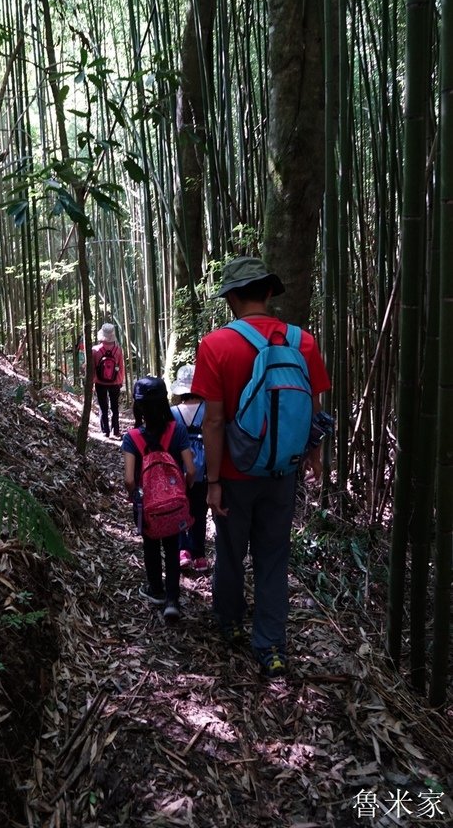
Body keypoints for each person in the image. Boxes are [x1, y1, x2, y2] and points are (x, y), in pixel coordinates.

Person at [191, 257, 331, 678]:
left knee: (231, 552)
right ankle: (271, 646)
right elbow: (313, 407)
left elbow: (213, 421)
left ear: (232, 297)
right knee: (273, 557)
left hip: (235, 473)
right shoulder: (302, 342)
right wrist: (311, 456)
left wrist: (212, 481)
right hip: (281, 473)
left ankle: (231, 621)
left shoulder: (215, 345)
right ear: (269, 293)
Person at [122, 376, 195, 623]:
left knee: (150, 544)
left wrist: (134, 496)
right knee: (173, 547)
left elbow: (130, 479)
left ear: (138, 406)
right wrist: (181, 492)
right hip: (174, 504)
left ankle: (156, 589)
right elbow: (192, 470)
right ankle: (173, 599)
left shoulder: (132, 437)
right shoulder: (178, 430)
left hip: (147, 506)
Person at [170, 364, 209, 573]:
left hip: (178, 468)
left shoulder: (172, 412)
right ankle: (199, 554)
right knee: (200, 511)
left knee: (179, 509)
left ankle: (182, 549)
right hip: (203, 470)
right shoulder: (208, 410)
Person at [92, 323, 125, 438]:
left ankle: (105, 431)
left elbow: (92, 368)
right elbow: (121, 368)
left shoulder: (95, 350)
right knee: (114, 407)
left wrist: (92, 381)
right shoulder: (118, 350)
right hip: (115, 382)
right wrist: (121, 381)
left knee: (103, 406)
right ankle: (115, 431)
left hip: (100, 382)